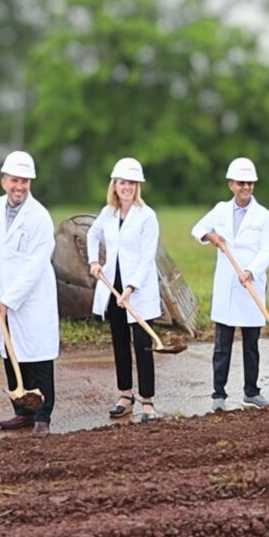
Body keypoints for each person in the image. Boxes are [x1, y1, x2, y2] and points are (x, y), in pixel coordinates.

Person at [0, 151, 58, 436]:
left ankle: (43, 415)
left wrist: (9, 301)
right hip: (4, 292)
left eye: (24, 181)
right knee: (10, 353)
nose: (19, 186)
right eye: (14, 180)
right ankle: (22, 411)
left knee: (36, 356)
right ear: (4, 182)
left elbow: (36, 265)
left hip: (31, 298)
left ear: (30, 183)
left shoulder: (40, 217)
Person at [191, 157, 269, 411]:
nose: (246, 188)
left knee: (251, 344)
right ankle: (219, 393)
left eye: (250, 183)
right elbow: (197, 229)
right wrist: (211, 236)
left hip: (251, 285)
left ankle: (251, 391)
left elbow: (267, 250)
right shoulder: (220, 210)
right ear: (231, 185)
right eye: (241, 183)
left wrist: (251, 270)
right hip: (227, 286)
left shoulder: (264, 215)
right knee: (222, 345)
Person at [87, 157, 162, 422]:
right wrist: (94, 260)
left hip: (137, 289)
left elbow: (147, 256)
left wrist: (131, 287)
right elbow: (91, 235)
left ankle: (148, 401)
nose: (126, 187)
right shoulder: (107, 213)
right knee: (119, 342)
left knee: (142, 344)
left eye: (131, 182)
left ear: (137, 186)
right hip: (112, 287)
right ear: (114, 185)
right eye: (122, 182)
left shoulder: (147, 216)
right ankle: (125, 395)